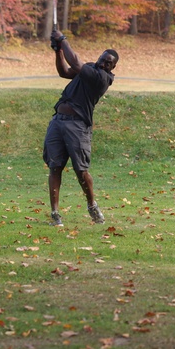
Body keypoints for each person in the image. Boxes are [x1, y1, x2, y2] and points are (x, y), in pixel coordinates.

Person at [43, 29, 118, 227]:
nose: (103, 63)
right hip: (58, 121)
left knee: (81, 170)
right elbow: (64, 72)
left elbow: (75, 63)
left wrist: (63, 39)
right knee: (55, 166)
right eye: (102, 59)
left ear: (113, 67)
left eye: (107, 62)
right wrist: (58, 50)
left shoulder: (102, 79)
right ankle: (55, 214)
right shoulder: (91, 68)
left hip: (77, 126)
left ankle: (92, 205)